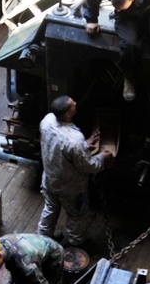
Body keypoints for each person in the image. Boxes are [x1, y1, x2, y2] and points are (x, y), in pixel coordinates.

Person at [37, 95, 113, 250]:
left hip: (50, 179)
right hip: (71, 188)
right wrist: (102, 158)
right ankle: (75, 244)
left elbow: (59, 147)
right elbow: (88, 166)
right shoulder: (75, 140)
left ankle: (42, 240)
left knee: (51, 208)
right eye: (72, 104)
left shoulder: (47, 121)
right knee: (77, 215)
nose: (76, 103)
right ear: (67, 115)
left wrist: (84, 146)